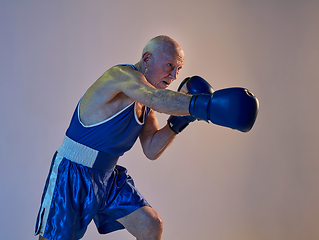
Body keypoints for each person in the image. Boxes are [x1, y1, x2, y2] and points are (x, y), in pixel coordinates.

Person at [35, 35, 258, 240]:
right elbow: (157, 98)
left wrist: (181, 120)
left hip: (107, 178)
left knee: (150, 225)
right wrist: (203, 106)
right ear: (147, 58)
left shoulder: (146, 105)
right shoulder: (120, 76)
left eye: (179, 69)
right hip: (73, 173)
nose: (174, 76)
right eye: (170, 66)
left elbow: (151, 148)